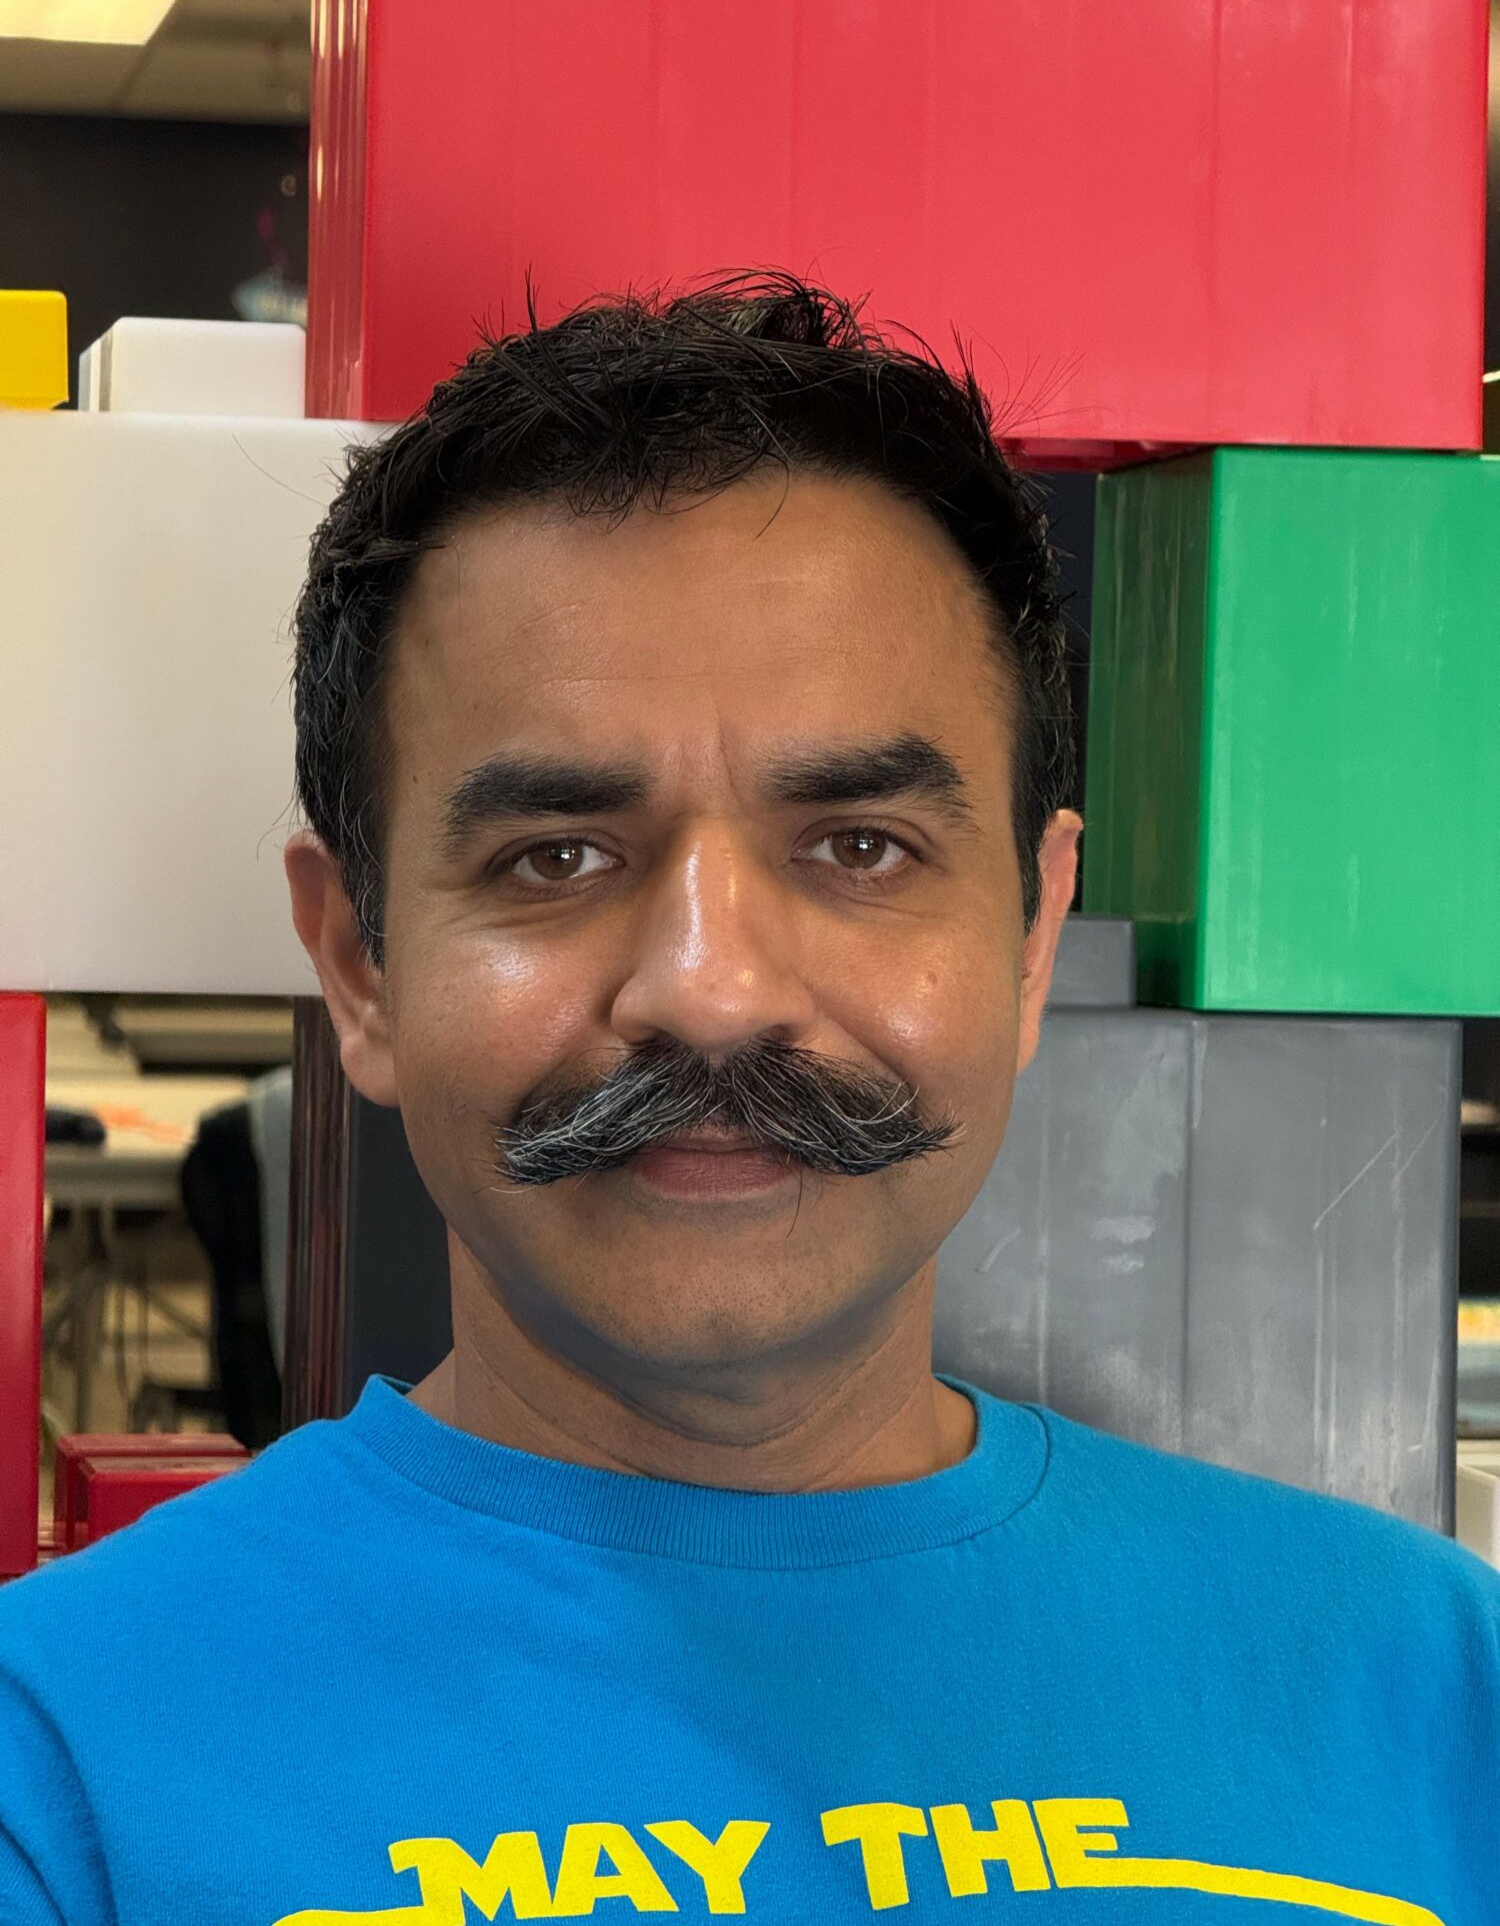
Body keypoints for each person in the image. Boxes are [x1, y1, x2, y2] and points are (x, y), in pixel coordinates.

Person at [0, 277, 1494, 1925]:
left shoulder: (1430, 1689)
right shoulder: (57, 1775)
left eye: (859, 847)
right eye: (557, 858)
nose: (712, 989)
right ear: (360, 964)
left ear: (1028, 940)